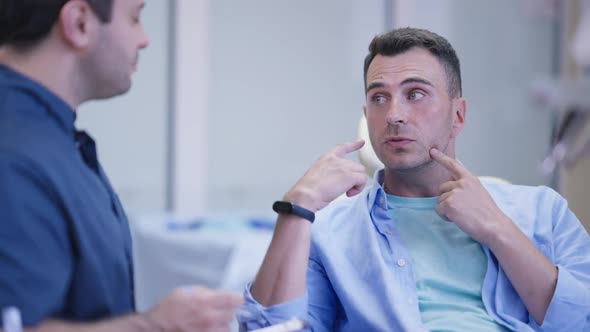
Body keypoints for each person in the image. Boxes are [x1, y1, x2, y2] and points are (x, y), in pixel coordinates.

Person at [237, 28, 590, 331]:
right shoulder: (330, 232)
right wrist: (296, 208)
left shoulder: (543, 210)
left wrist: (496, 228)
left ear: (458, 114)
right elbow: (272, 329)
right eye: (379, 98)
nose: (394, 115)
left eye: (415, 94)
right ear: (366, 115)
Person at [0, 0, 243, 331]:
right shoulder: (16, 156)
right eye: (135, 18)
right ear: (79, 23)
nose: (144, 39)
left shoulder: (54, 141)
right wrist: (153, 325)